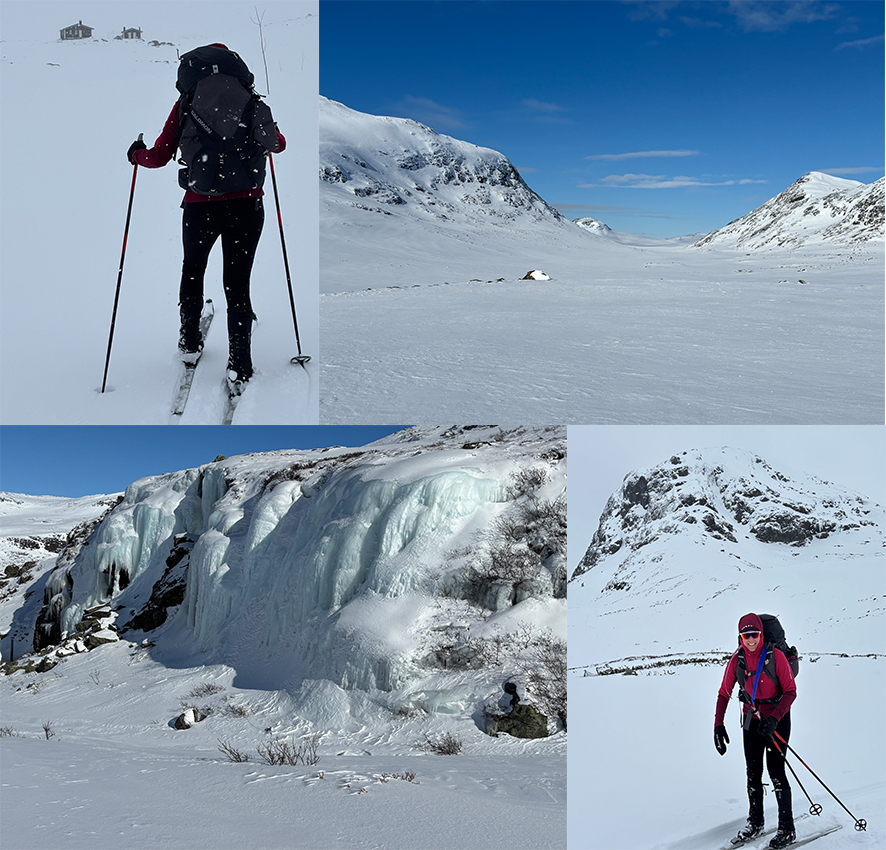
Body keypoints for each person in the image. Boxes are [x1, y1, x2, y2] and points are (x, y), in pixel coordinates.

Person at [126, 43, 285, 393]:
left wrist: (136, 154)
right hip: (247, 206)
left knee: (193, 268)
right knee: (237, 284)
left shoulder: (186, 103)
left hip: (201, 206)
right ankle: (240, 364)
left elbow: (159, 155)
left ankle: (189, 341)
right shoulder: (250, 100)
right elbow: (277, 143)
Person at [714, 613, 797, 849]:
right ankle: (756, 822)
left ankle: (787, 829)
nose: (751, 640)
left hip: (777, 718)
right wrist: (718, 724)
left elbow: (790, 691)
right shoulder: (737, 659)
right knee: (753, 772)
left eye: (755, 634)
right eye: (746, 635)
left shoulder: (775, 656)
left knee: (776, 771)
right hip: (751, 719)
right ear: (740, 637)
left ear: (761, 634)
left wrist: (775, 718)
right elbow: (724, 693)